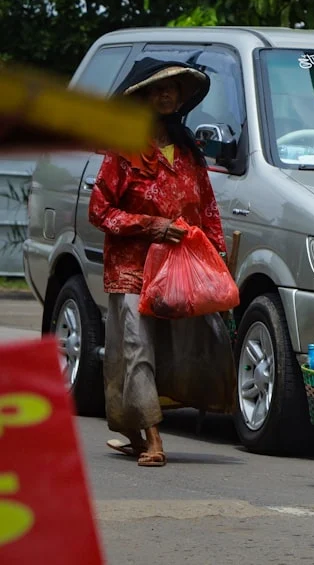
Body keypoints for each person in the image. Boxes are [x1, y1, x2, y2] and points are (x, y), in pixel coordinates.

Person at [89, 57, 235, 468]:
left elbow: (208, 209)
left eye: (173, 88)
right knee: (135, 349)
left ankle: (136, 427)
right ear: (141, 98)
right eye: (158, 88)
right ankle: (153, 438)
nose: (167, 94)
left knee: (183, 348)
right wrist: (151, 226)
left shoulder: (190, 152)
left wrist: (218, 259)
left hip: (179, 269)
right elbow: (100, 211)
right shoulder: (122, 151)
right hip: (131, 268)